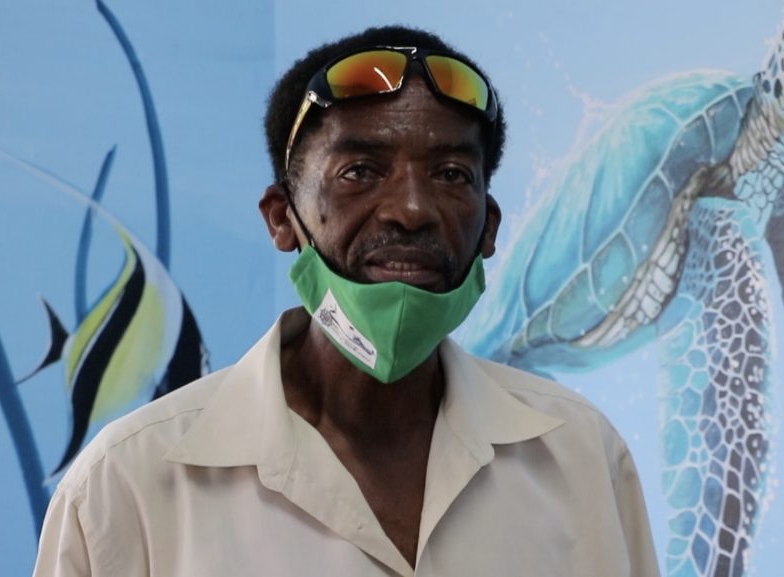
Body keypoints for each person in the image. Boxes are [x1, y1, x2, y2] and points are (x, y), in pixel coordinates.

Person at [33, 25, 660, 577]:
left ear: (489, 226)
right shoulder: (129, 489)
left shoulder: (582, 462)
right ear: (283, 218)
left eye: (451, 175)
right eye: (360, 170)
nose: (412, 209)